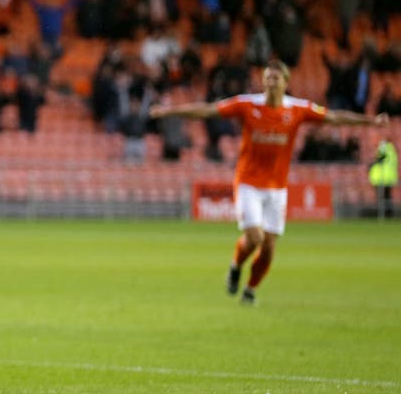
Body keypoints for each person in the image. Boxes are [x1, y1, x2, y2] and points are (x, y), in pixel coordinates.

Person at [150, 60, 388, 305]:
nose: (271, 82)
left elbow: (335, 117)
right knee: (254, 238)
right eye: (267, 78)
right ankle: (235, 266)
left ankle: (250, 290)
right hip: (248, 182)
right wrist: (169, 112)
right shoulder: (247, 104)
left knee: (269, 248)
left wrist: (370, 121)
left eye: (276, 78)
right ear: (263, 81)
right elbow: (208, 110)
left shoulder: (298, 109)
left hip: (277, 187)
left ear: (286, 83)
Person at [369, 137, 397, 218]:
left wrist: (374, 163)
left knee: (383, 197)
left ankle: (384, 215)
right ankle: (386, 214)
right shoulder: (392, 152)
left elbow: (381, 159)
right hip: (386, 178)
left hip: (383, 178)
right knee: (385, 197)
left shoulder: (386, 150)